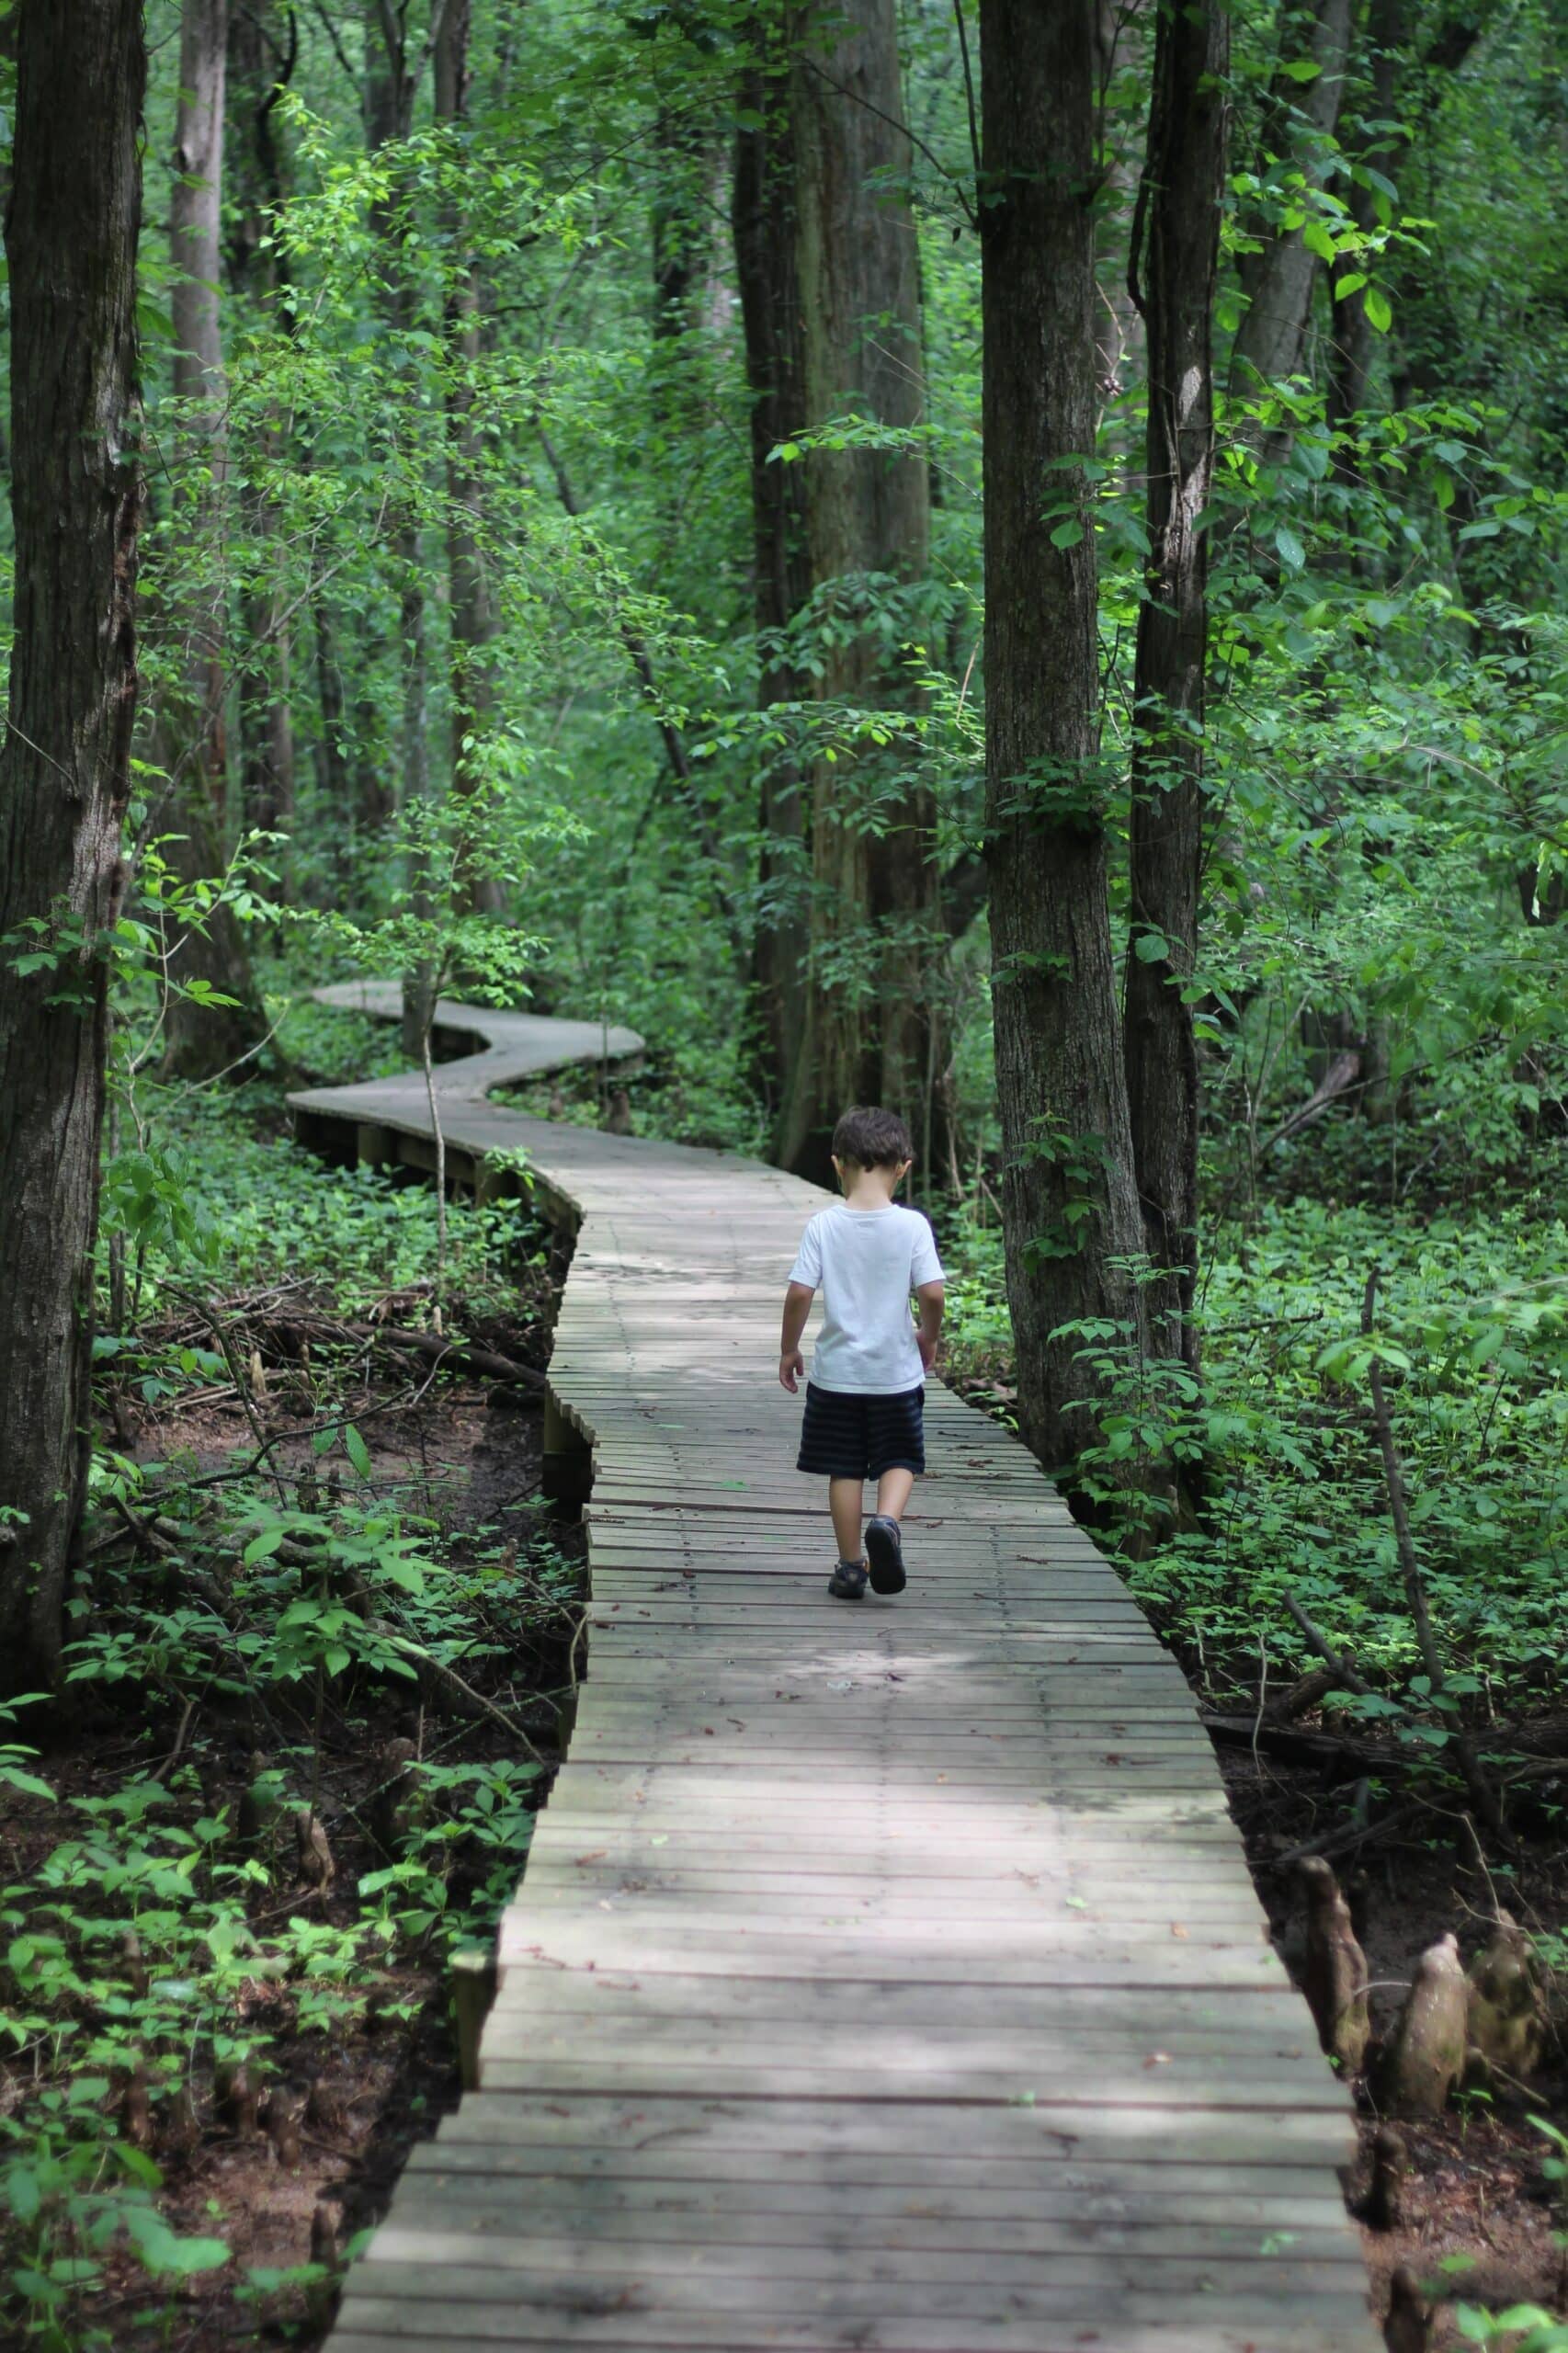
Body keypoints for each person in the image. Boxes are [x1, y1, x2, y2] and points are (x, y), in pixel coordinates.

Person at [778, 1106, 946, 1600]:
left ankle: (852, 1566)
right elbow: (933, 1293)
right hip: (895, 1373)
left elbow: (799, 1294)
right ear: (904, 1166)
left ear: (837, 1164)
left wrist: (789, 1349)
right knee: (900, 1456)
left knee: (845, 1467)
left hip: (837, 1376)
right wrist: (928, 1337)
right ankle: (888, 1523)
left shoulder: (824, 1225)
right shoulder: (912, 1226)